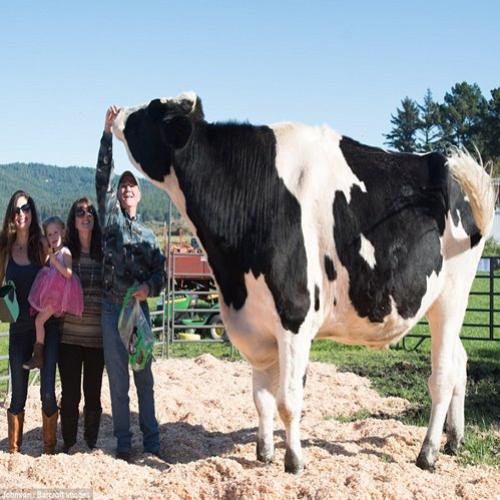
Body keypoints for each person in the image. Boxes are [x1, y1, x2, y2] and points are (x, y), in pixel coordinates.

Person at [96, 106, 166, 463]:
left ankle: (152, 443)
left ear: (139, 194)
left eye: (131, 185)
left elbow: (161, 276)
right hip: (111, 309)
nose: (125, 188)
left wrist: (147, 290)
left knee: (144, 380)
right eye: (122, 185)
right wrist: (108, 134)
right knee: (119, 384)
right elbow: (103, 176)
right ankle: (124, 444)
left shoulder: (150, 236)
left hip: (136, 312)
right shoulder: (110, 221)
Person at [0, 191, 60, 454]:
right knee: (17, 397)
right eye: (16, 210)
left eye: (25, 208)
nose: (21, 213)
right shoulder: (5, 248)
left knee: (47, 393)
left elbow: (58, 276)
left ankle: (49, 451)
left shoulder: (42, 246)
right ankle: (14, 452)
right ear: (11, 216)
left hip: (46, 328)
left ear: (32, 211)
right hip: (18, 329)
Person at [58, 198, 104, 453]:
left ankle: (91, 442)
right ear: (73, 220)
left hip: (97, 339)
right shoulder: (66, 255)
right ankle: (70, 443)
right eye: (80, 212)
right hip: (69, 337)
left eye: (90, 212)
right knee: (70, 394)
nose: (86, 216)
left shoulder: (103, 254)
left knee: (93, 395)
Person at [24, 216, 83, 370]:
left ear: (63, 232)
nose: (53, 237)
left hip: (57, 297)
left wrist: (55, 263)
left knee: (39, 321)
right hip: (53, 295)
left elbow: (69, 274)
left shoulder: (65, 252)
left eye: (56, 232)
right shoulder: (54, 253)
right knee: (38, 320)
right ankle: (38, 354)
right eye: (49, 234)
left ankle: (38, 356)